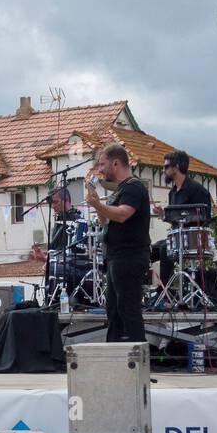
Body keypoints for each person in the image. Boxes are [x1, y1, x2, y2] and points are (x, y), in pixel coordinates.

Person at [85, 143, 150, 342]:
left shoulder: (134, 187)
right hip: (115, 256)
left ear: (115, 163)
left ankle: (138, 361)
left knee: (128, 308)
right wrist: (98, 205)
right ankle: (115, 358)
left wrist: (98, 204)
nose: (100, 170)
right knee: (113, 309)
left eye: (102, 164)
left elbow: (122, 215)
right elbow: (105, 221)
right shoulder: (119, 191)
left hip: (129, 256)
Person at [150, 149, 215, 289]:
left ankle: (164, 295)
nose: (163, 170)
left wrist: (185, 219)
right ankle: (145, 291)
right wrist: (163, 215)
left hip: (194, 239)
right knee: (149, 250)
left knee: (164, 249)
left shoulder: (197, 190)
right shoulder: (172, 193)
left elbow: (205, 217)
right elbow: (176, 219)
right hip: (177, 238)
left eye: (166, 166)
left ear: (177, 167)